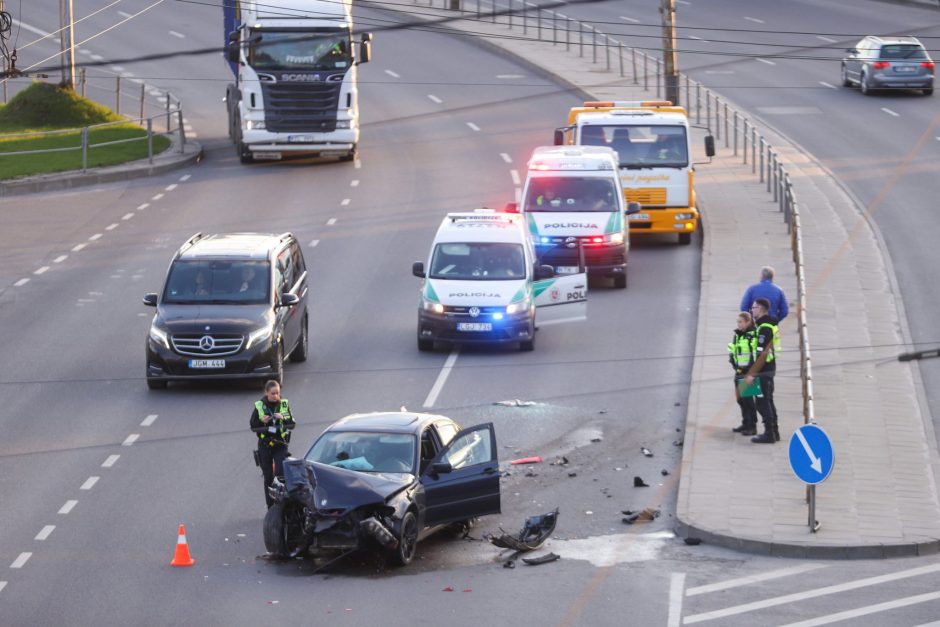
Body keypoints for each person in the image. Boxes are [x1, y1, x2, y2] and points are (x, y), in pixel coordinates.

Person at [250, 380, 296, 508]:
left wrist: (283, 418)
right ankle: (270, 506)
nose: (275, 396)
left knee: (280, 474)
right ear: (266, 393)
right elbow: (253, 426)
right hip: (265, 444)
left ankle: (283, 504)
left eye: (277, 393)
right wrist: (261, 421)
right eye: (272, 393)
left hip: (280, 444)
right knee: (268, 476)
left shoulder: (284, 405)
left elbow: (292, 424)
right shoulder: (259, 406)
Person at [745, 298, 781, 444]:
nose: (752, 310)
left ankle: (769, 434)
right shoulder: (766, 325)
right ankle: (774, 432)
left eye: (753, 308)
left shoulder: (764, 328)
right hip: (768, 369)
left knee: (762, 402)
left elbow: (761, 355)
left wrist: (751, 374)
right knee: (768, 401)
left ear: (760, 309)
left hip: (763, 371)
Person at [728, 311, 758, 436]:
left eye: (740, 322)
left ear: (748, 322)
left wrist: (751, 372)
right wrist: (733, 363)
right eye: (737, 322)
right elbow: (734, 350)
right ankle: (745, 423)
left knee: (748, 400)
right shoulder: (738, 334)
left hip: (748, 372)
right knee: (740, 399)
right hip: (739, 370)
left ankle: (752, 426)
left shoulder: (753, 336)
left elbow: (755, 355)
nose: (738, 324)